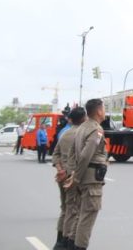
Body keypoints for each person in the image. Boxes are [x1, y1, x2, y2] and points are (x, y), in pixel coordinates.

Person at [66, 98, 108, 250]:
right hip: (90, 180)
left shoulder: (82, 127)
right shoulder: (96, 130)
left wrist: (73, 174)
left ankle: (70, 245)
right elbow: (85, 156)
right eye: (104, 108)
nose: (105, 111)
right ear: (99, 111)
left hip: (83, 178)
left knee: (80, 216)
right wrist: (76, 178)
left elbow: (72, 153)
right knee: (87, 218)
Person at [53, 107, 87, 250]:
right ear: (84, 118)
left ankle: (59, 241)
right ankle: (67, 242)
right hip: (73, 176)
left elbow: (56, 154)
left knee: (65, 208)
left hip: (62, 175)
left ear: (71, 119)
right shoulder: (83, 135)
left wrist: (60, 169)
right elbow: (84, 158)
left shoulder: (64, 133)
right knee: (74, 211)